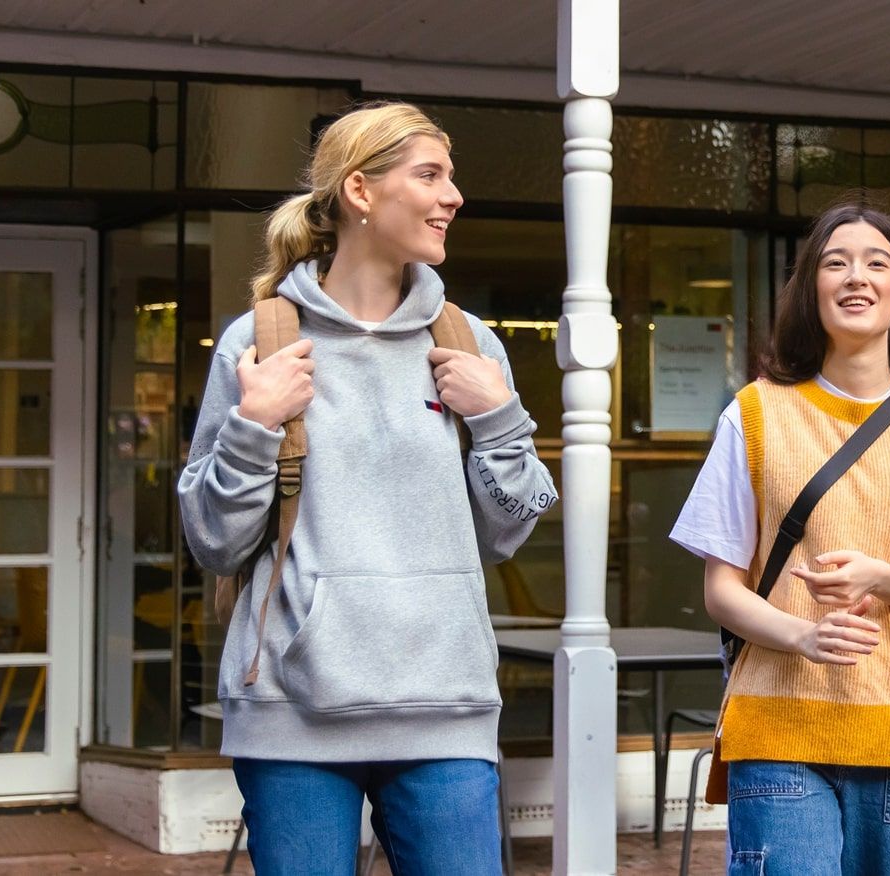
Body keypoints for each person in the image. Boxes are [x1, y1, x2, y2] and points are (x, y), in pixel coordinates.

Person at [177, 102, 557, 876]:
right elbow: (213, 540)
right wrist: (254, 425)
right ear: (359, 190)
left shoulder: (469, 344)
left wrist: (500, 418)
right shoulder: (261, 343)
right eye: (430, 175)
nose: (453, 195)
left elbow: (510, 525)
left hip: (443, 705)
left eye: (451, 178)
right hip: (293, 710)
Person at [670, 197, 890, 875]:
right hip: (777, 728)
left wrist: (882, 579)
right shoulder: (755, 414)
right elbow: (722, 591)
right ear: (811, 292)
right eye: (835, 263)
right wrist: (803, 634)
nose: (855, 276)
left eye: (875, 263)